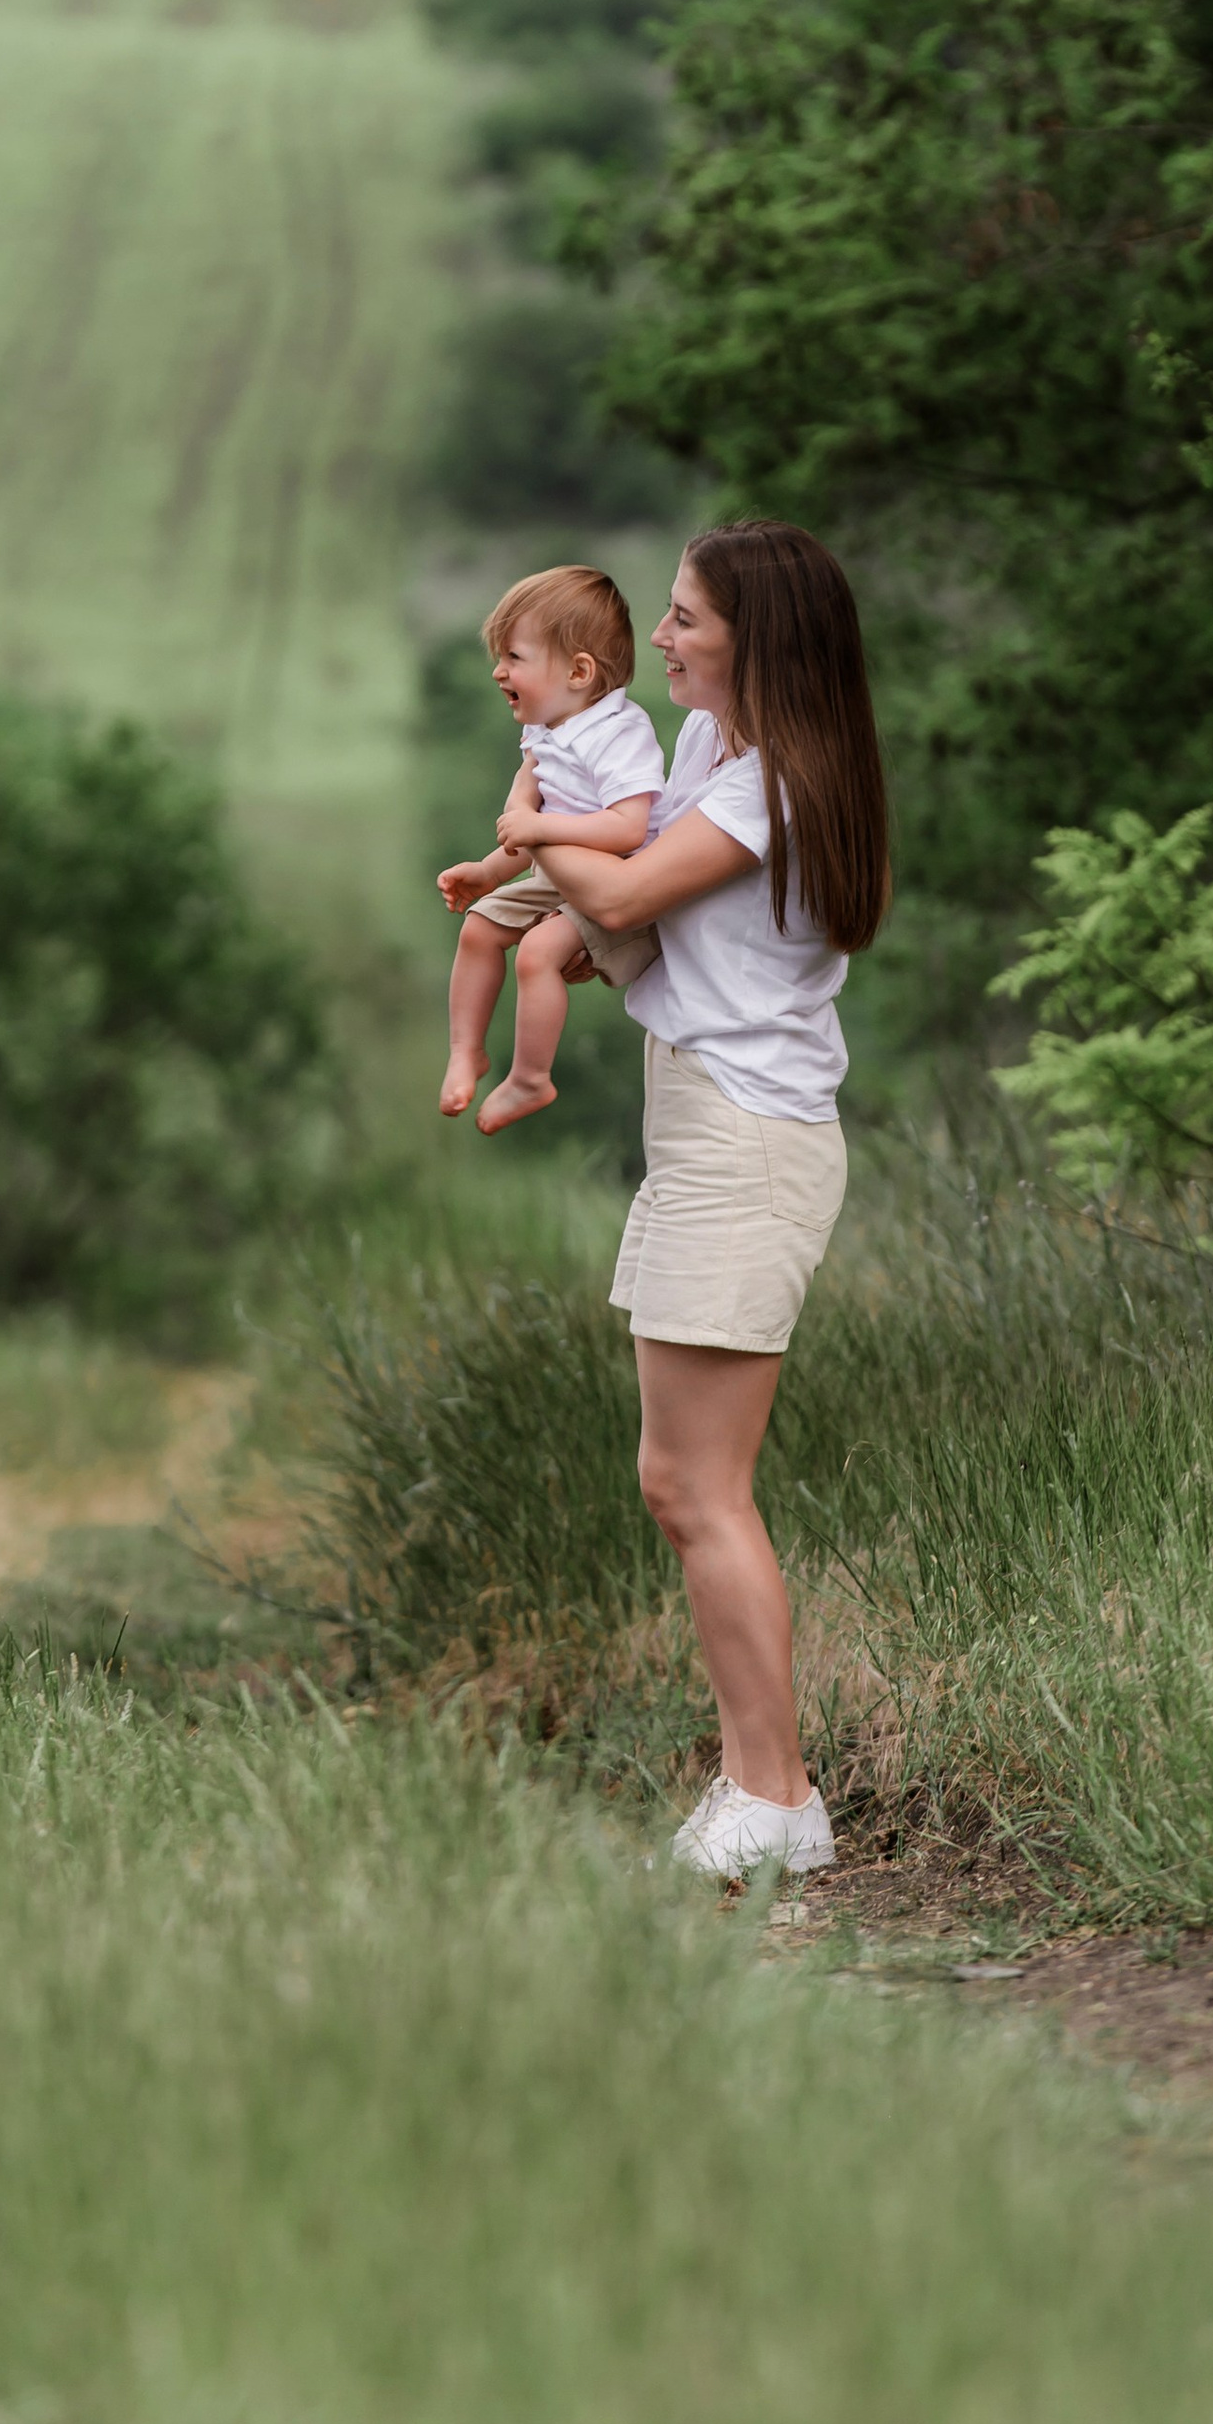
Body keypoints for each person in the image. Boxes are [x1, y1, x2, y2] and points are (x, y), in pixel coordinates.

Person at [516, 521, 889, 1882]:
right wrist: (533, 916)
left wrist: (533, 829)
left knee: (697, 1484)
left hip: (747, 1139)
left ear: (754, 640)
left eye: (683, 620)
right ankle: (755, 1785)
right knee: (676, 1481)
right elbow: (626, 925)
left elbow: (617, 882)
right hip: (699, 1121)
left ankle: (777, 1797)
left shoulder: (773, 785)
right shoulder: (705, 751)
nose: (656, 641)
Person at [436, 565, 665, 1135]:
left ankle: (531, 1077)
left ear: (579, 671)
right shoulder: (546, 730)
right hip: (559, 873)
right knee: (478, 930)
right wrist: (489, 873)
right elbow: (524, 828)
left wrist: (540, 833)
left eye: (514, 657)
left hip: (617, 878)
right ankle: (468, 1050)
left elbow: (627, 829)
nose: (498, 671)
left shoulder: (618, 733)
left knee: (538, 954)